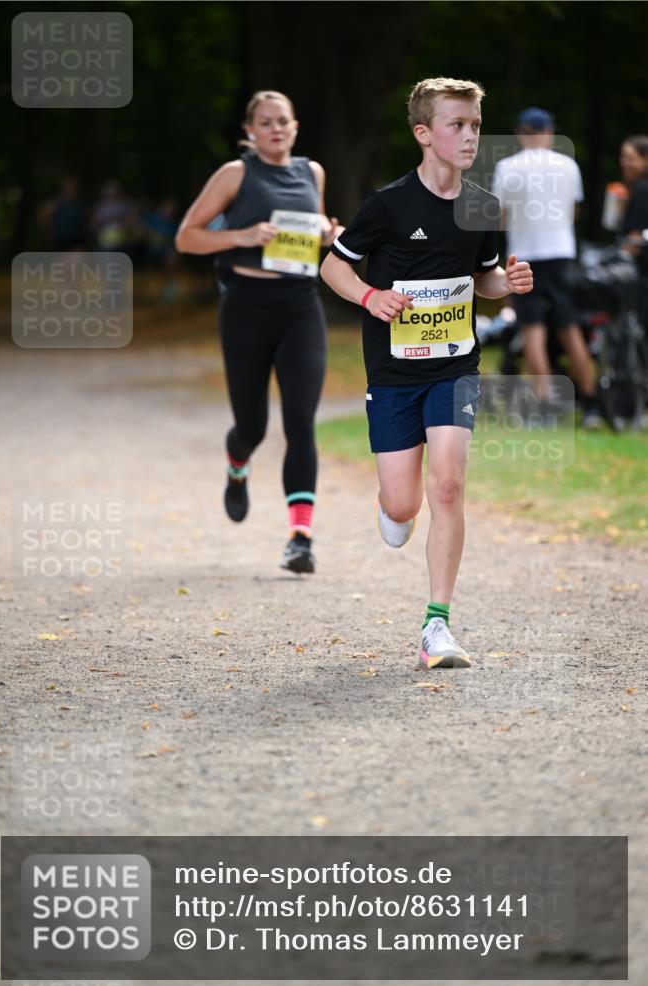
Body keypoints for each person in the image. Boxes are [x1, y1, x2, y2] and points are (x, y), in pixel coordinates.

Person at [320, 77, 533, 669]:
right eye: (456, 125)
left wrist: (505, 285)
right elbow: (333, 268)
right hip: (393, 372)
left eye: (474, 126)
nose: (469, 136)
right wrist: (369, 298)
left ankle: (436, 626)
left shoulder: (483, 206)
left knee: (448, 485)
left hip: (455, 367)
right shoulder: (387, 205)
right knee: (405, 502)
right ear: (424, 134)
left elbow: (483, 277)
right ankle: (392, 505)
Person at [175, 90, 340, 573]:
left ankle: (300, 538)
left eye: (282, 121)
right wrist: (241, 236)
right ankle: (237, 465)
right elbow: (186, 236)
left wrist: (327, 234)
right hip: (246, 307)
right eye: (264, 122)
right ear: (250, 131)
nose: (275, 128)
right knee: (253, 427)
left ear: (295, 126)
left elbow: (311, 232)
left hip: (300, 306)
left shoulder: (313, 172)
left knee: (300, 424)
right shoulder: (235, 174)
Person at [492, 107, 601, 428]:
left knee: (533, 333)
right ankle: (592, 403)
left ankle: (545, 409)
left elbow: (499, 217)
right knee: (570, 330)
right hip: (561, 256)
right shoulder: (567, 164)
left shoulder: (507, 168)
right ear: (549, 132)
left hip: (525, 256)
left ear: (519, 134)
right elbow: (572, 212)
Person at [619, 135, 648, 330]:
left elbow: (634, 238)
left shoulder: (642, 190)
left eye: (631, 158)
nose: (625, 163)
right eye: (623, 157)